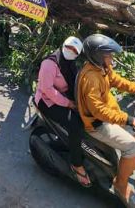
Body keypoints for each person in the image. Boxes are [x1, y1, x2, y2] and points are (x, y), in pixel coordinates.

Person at [76, 34, 135, 207]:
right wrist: (129, 119)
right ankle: (120, 185)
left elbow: (116, 80)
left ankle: (128, 164)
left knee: (131, 140)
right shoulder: (90, 78)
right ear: (97, 56)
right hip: (98, 124)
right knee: (134, 148)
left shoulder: (102, 68)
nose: (111, 59)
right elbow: (98, 111)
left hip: (111, 113)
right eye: (108, 55)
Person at [34, 36, 90, 187]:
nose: (71, 51)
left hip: (64, 96)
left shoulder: (71, 63)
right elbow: (47, 89)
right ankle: (76, 164)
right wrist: (69, 103)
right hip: (48, 101)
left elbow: (77, 81)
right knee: (75, 124)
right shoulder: (49, 64)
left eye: (75, 51)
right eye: (69, 47)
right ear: (63, 45)